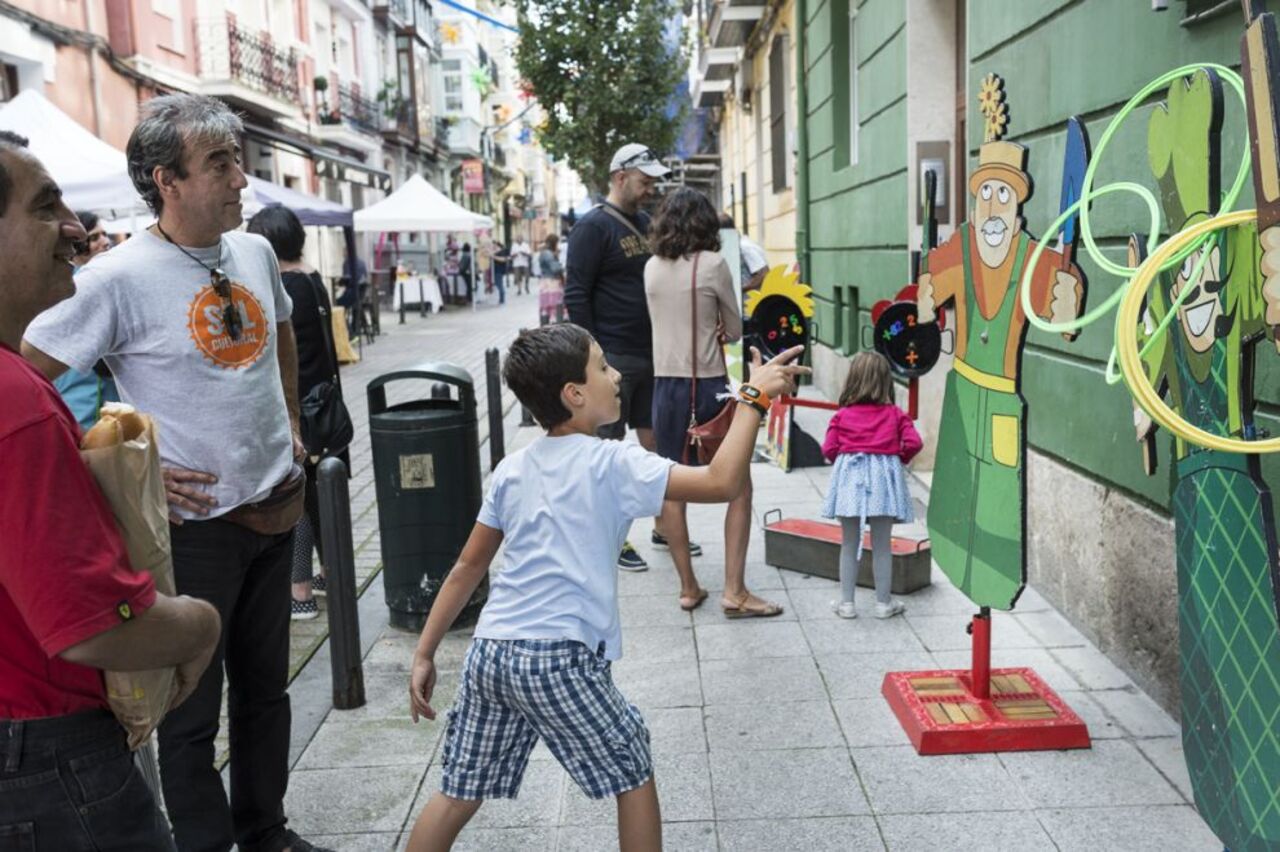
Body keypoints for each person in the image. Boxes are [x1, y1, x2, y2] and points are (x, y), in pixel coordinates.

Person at [21, 94, 329, 852]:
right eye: (219, 163)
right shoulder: (113, 277)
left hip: (273, 507)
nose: (241, 181)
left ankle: (266, 831)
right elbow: (29, 375)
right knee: (191, 710)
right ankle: (203, 842)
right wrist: (124, 472)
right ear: (168, 180)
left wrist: (289, 420)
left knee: (268, 694)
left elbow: (283, 331)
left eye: (237, 159)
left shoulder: (254, 251)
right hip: (193, 533)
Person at [404, 323, 808, 852]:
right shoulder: (614, 462)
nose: (616, 375)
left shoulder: (512, 469)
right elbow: (721, 482)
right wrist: (752, 397)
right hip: (557, 657)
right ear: (574, 394)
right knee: (632, 767)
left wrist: (425, 653)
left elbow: (466, 568)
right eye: (602, 366)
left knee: (459, 791)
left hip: (492, 653)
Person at [0, 129, 221, 851]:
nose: (75, 228)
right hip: (50, 762)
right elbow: (97, 626)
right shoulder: (17, 403)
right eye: (44, 207)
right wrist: (199, 625)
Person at [917, 138, 1082, 611]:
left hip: (1002, 398)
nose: (992, 205)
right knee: (954, 492)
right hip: (963, 390)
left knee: (995, 502)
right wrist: (926, 291)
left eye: (1003, 194)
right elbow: (927, 309)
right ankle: (950, 557)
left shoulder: (1036, 258)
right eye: (984, 193)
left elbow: (1063, 321)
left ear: (1018, 203)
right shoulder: (960, 248)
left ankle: (994, 586)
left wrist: (1066, 297)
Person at [645, 188, 782, 617]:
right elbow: (737, 329)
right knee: (738, 485)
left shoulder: (650, 267)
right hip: (706, 389)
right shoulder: (715, 264)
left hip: (663, 391)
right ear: (705, 223)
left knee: (670, 487)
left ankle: (688, 587)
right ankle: (734, 591)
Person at [565, 142, 680, 572]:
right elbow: (576, 291)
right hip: (612, 358)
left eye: (653, 181)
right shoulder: (592, 228)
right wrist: (593, 357)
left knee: (656, 448)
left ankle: (664, 527)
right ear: (619, 177)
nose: (650, 188)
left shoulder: (647, 223)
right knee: (606, 453)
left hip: (652, 356)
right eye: (644, 180)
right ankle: (610, 539)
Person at [247, 206, 348, 622]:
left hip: (300, 407)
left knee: (299, 499)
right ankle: (331, 575)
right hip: (325, 404)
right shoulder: (312, 278)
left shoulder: (284, 286)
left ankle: (300, 592)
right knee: (321, 495)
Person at [821, 351, 921, 619]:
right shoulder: (896, 414)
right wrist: (897, 458)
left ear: (853, 380)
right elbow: (914, 443)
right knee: (882, 545)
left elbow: (829, 448)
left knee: (849, 543)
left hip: (850, 482)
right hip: (882, 483)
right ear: (885, 381)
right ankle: (883, 604)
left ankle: (847, 604)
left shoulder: (842, 416)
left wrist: (842, 461)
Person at [52, 210, 119, 430]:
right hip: (80, 401)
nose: (104, 242)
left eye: (104, 234)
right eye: (94, 237)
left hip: (107, 402)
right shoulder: (66, 286)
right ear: (76, 244)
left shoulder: (110, 280)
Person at [537, 234, 565, 325]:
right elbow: (555, 269)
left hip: (546, 283)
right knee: (552, 307)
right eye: (557, 243)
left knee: (546, 307)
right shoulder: (548, 253)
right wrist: (562, 266)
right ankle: (549, 328)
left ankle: (545, 327)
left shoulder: (545, 252)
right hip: (551, 283)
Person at [491, 240, 510, 305]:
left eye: (493, 244)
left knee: (499, 284)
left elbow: (503, 260)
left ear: (496, 244)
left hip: (499, 269)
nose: (492, 246)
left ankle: (502, 298)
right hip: (496, 270)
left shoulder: (501, 251)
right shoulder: (495, 251)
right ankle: (501, 298)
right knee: (498, 283)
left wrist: (493, 257)